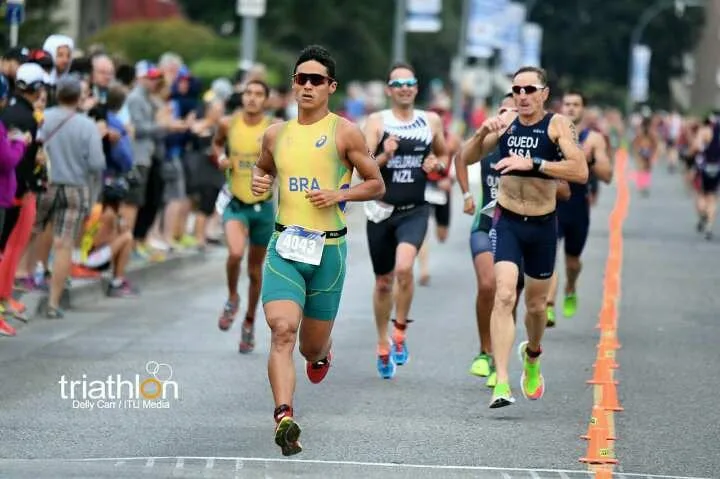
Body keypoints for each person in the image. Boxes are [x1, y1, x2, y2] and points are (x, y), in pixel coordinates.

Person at [251, 45, 384, 456]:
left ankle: (322, 354)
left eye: (316, 80)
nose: (307, 86)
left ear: (331, 87)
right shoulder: (276, 134)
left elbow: (376, 184)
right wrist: (259, 182)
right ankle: (284, 417)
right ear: (292, 85)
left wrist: (338, 193)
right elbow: (263, 167)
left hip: (328, 251)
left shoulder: (344, 132)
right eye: (301, 79)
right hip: (285, 245)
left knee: (310, 346)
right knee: (281, 330)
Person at [461, 66, 587, 408]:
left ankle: (532, 355)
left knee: (535, 306)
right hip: (507, 221)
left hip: (543, 225)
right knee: (504, 295)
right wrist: (481, 133)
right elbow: (467, 157)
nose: (522, 96)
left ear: (544, 93)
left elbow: (579, 170)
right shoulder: (506, 121)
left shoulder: (558, 125)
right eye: (517, 89)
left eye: (529, 89)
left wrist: (534, 163)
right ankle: (502, 381)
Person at [362, 62, 449, 379]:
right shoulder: (376, 121)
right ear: (389, 90)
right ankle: (383, 342)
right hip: (381, 211)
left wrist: (435, 165)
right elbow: (363, 166)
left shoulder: (431, 121)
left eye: (410, 82)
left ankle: (400, 330)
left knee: (403, 268)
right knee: (383, 282)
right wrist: (384, 155)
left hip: (415, 208)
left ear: (416, 87)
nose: (405, 88)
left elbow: (442, 158)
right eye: (398, 84)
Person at [213, 79, 280, 353]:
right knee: (234, 254)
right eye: (248, 93)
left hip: (262, 207)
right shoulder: (228, 123)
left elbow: (285, 159)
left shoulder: (273, 128)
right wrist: (220, 158)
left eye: (258, 94)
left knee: (254, 271)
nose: (252, 98)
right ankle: (232, 297)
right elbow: (217, 144)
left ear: (266, 99)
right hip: (236, 202)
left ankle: (250, 322)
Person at [546, 91, 613, 326]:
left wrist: (590, 159)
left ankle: (571, 286)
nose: (571, 108)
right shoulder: (551, 133)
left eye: (576, 104)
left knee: (572, 262)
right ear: (560, 107)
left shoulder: (594, 139)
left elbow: (608, 176)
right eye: (567, 104)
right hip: (553, 203)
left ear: (583, 109)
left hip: (577, 208)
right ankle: (549, 306)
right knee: (549, 256)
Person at [77, 178, 138, 297]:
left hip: (89, 256)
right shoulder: (109, 215)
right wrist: (120, 229)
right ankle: (117, 282)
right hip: (92, 259)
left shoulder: (100, 208)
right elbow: (100, 241)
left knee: (124, 237)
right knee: (127, 237)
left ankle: (118, 279)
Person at [690, 112, 720, 240]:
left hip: (703, 167)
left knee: (701, 194)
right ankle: (709, 225)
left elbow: (696, 147)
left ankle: (703, 214)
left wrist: (689, 156)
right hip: (717, 167)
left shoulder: (704, 131)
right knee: (712, 197)